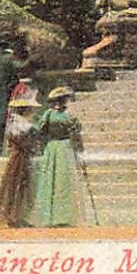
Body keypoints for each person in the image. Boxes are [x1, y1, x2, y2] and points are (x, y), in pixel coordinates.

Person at [31, 86, 85, 228]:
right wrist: (79, 149)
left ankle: (52, 216)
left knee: (53, 179)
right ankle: (62, 216)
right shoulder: (69, 115)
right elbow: (76, 132)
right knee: (63, 181)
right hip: (64, 147)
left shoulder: (48, 114)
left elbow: (40, 130)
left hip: (52, 146)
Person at [0, 97, 37, 227]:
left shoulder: (13, 123)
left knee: (15, 185)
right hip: (20, 157)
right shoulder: (23, 125)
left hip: (17, 157)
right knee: (18, 186)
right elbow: (23, 141)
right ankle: (14, 216)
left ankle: (16, 215)